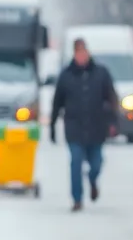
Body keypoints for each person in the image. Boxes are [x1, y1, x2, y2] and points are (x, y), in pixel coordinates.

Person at [49, 37, 118, 212]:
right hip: (74, 128)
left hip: (96, 127)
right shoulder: (66, 75)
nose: (81, 56)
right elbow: (57, 102)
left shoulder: (101, 73)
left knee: (97, 163)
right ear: (74, 54)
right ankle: (77, 199)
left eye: (83, 52)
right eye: (78, 52)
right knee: (76, 162)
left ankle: (93, 180)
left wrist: (113, 122)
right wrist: (52, 125)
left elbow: (111, 98)